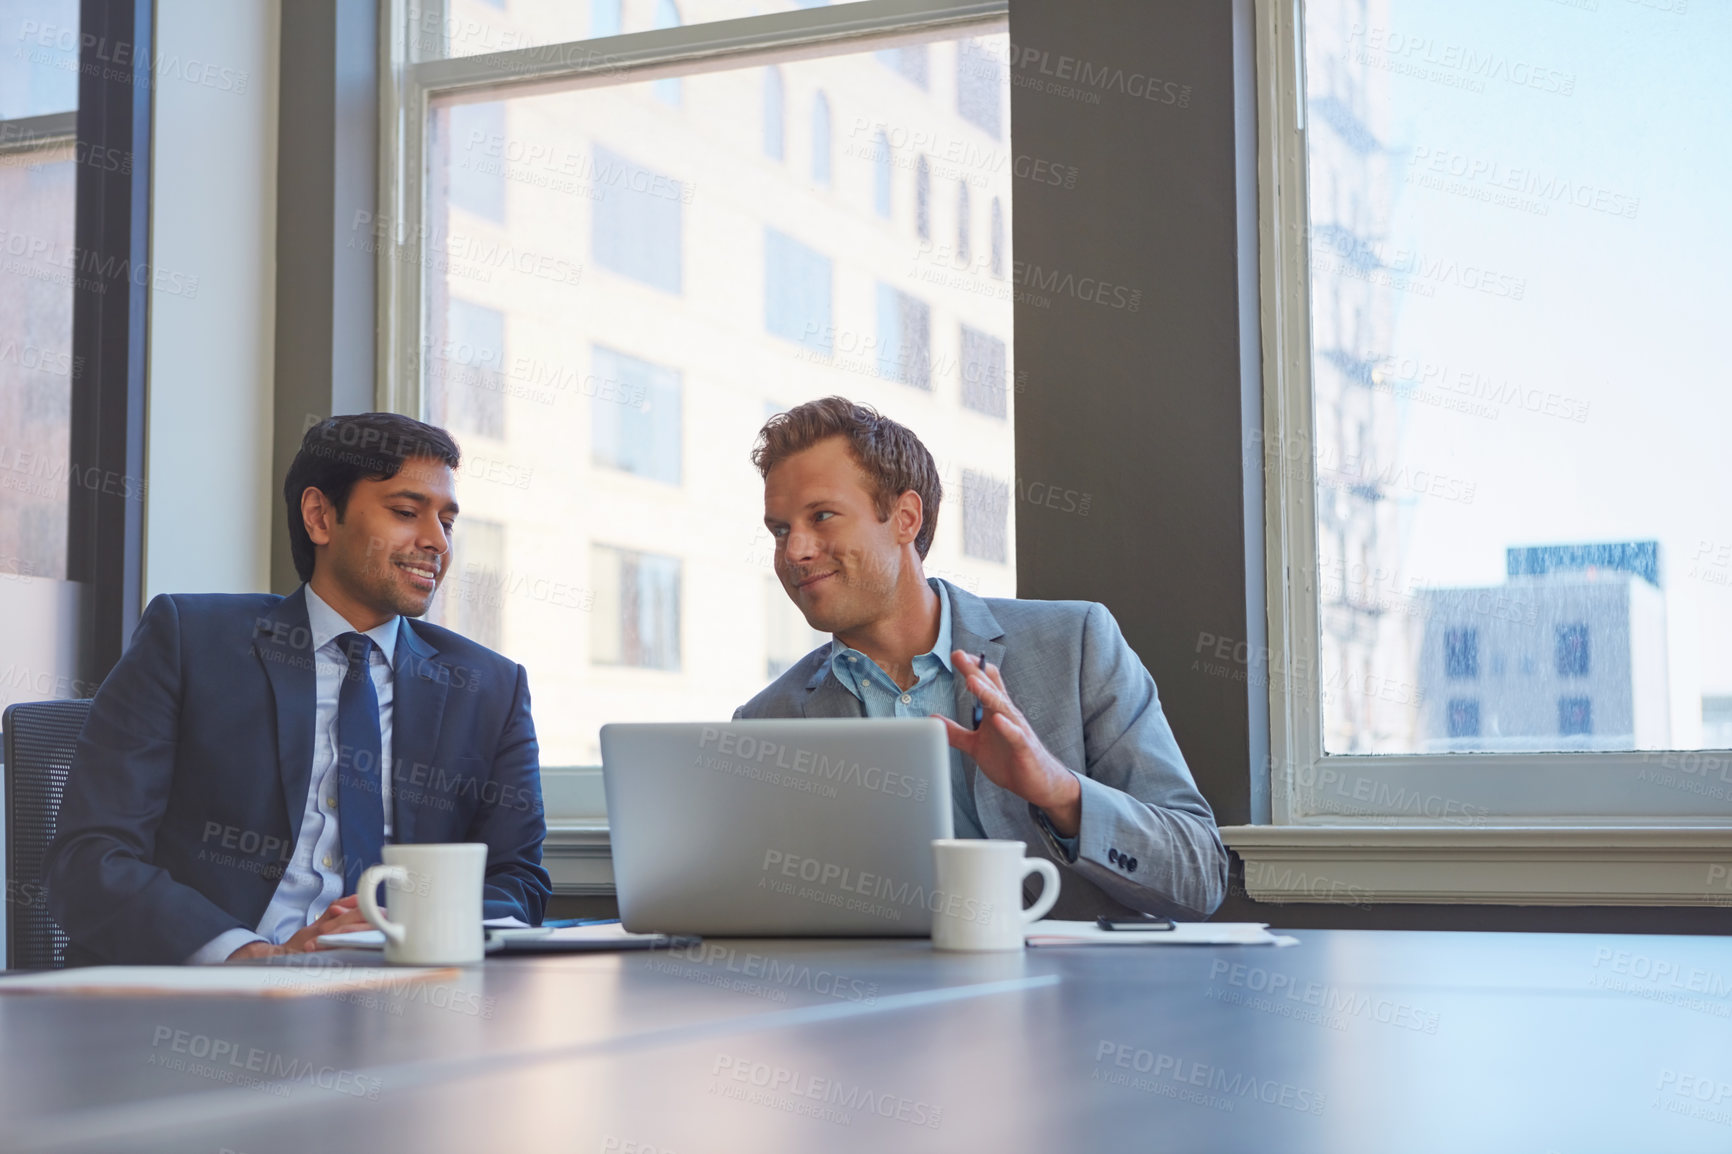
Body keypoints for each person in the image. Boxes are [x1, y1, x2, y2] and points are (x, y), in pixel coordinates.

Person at [47, 413, 550, 964]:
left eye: (447, 523)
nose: (435, 542)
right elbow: (92, 857)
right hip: (214, 1002)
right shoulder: (190, 642)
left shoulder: (490, 688)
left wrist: (409, 922)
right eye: (407, 512)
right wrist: (251, 957)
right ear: (319, 517)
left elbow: (517, 880)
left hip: (401, 993)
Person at [735, 397, 1225, 919]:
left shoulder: (1075, 644)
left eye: (822, 515)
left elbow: (1199, 875)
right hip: (874, 994)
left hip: (1072, 995)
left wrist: (1060, 793)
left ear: (904, 517)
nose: (795, 552)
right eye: (781, 530)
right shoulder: (769, 721)